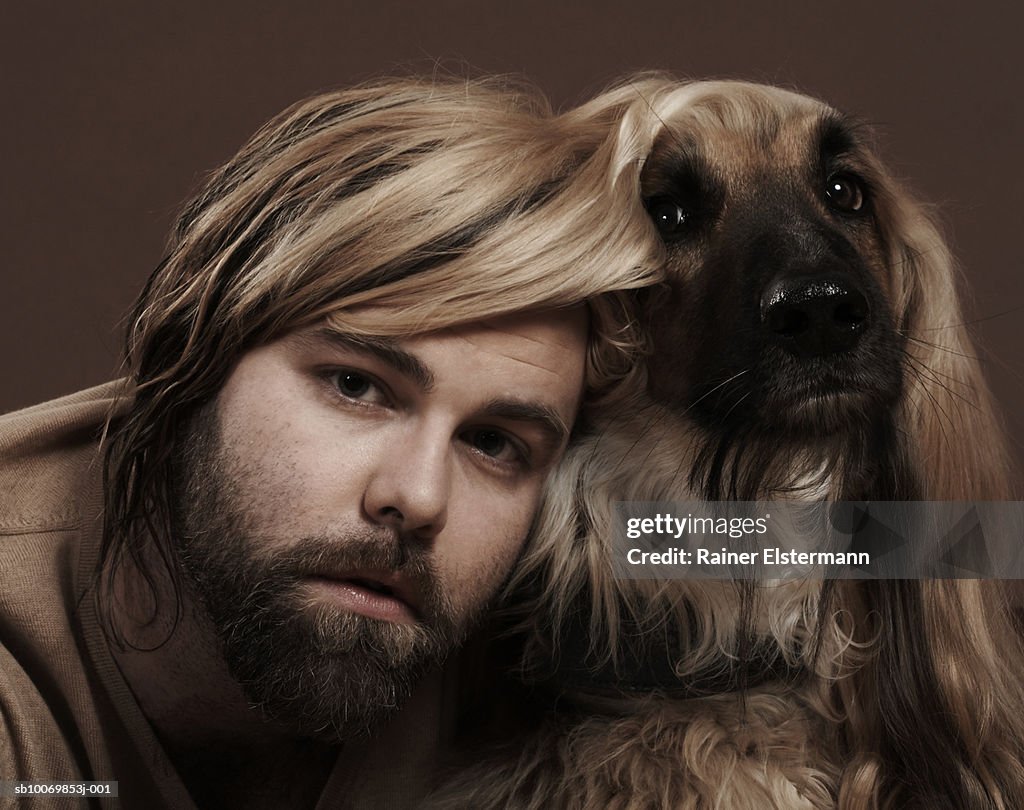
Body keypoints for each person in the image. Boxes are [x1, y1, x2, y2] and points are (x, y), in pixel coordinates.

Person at [0, 77, 660, 809]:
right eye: (355, 385)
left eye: (492, 442)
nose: (416, 497)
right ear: (196, 355)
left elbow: (794, 553)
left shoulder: (517, 590)